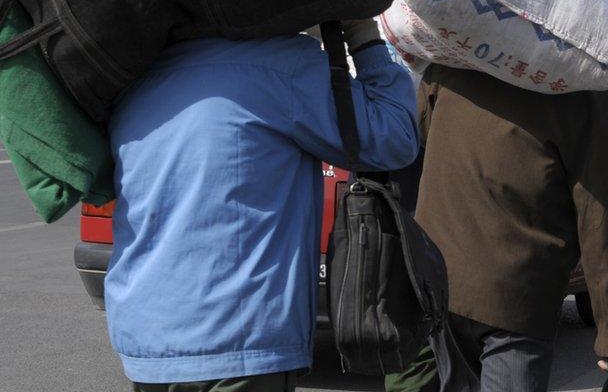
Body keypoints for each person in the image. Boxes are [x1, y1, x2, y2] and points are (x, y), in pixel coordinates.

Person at [105, 20, 419, 391]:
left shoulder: (135, 76)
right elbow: (394, 137)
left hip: (147, 337)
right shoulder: (284, 66)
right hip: (239, 339)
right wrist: (364, 39)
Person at [412, 0, 608, 391]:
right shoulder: (594, 97)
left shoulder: (465, 56)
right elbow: (603, 223)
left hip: (435, 275)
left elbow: (423, 132)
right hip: (516, 292)